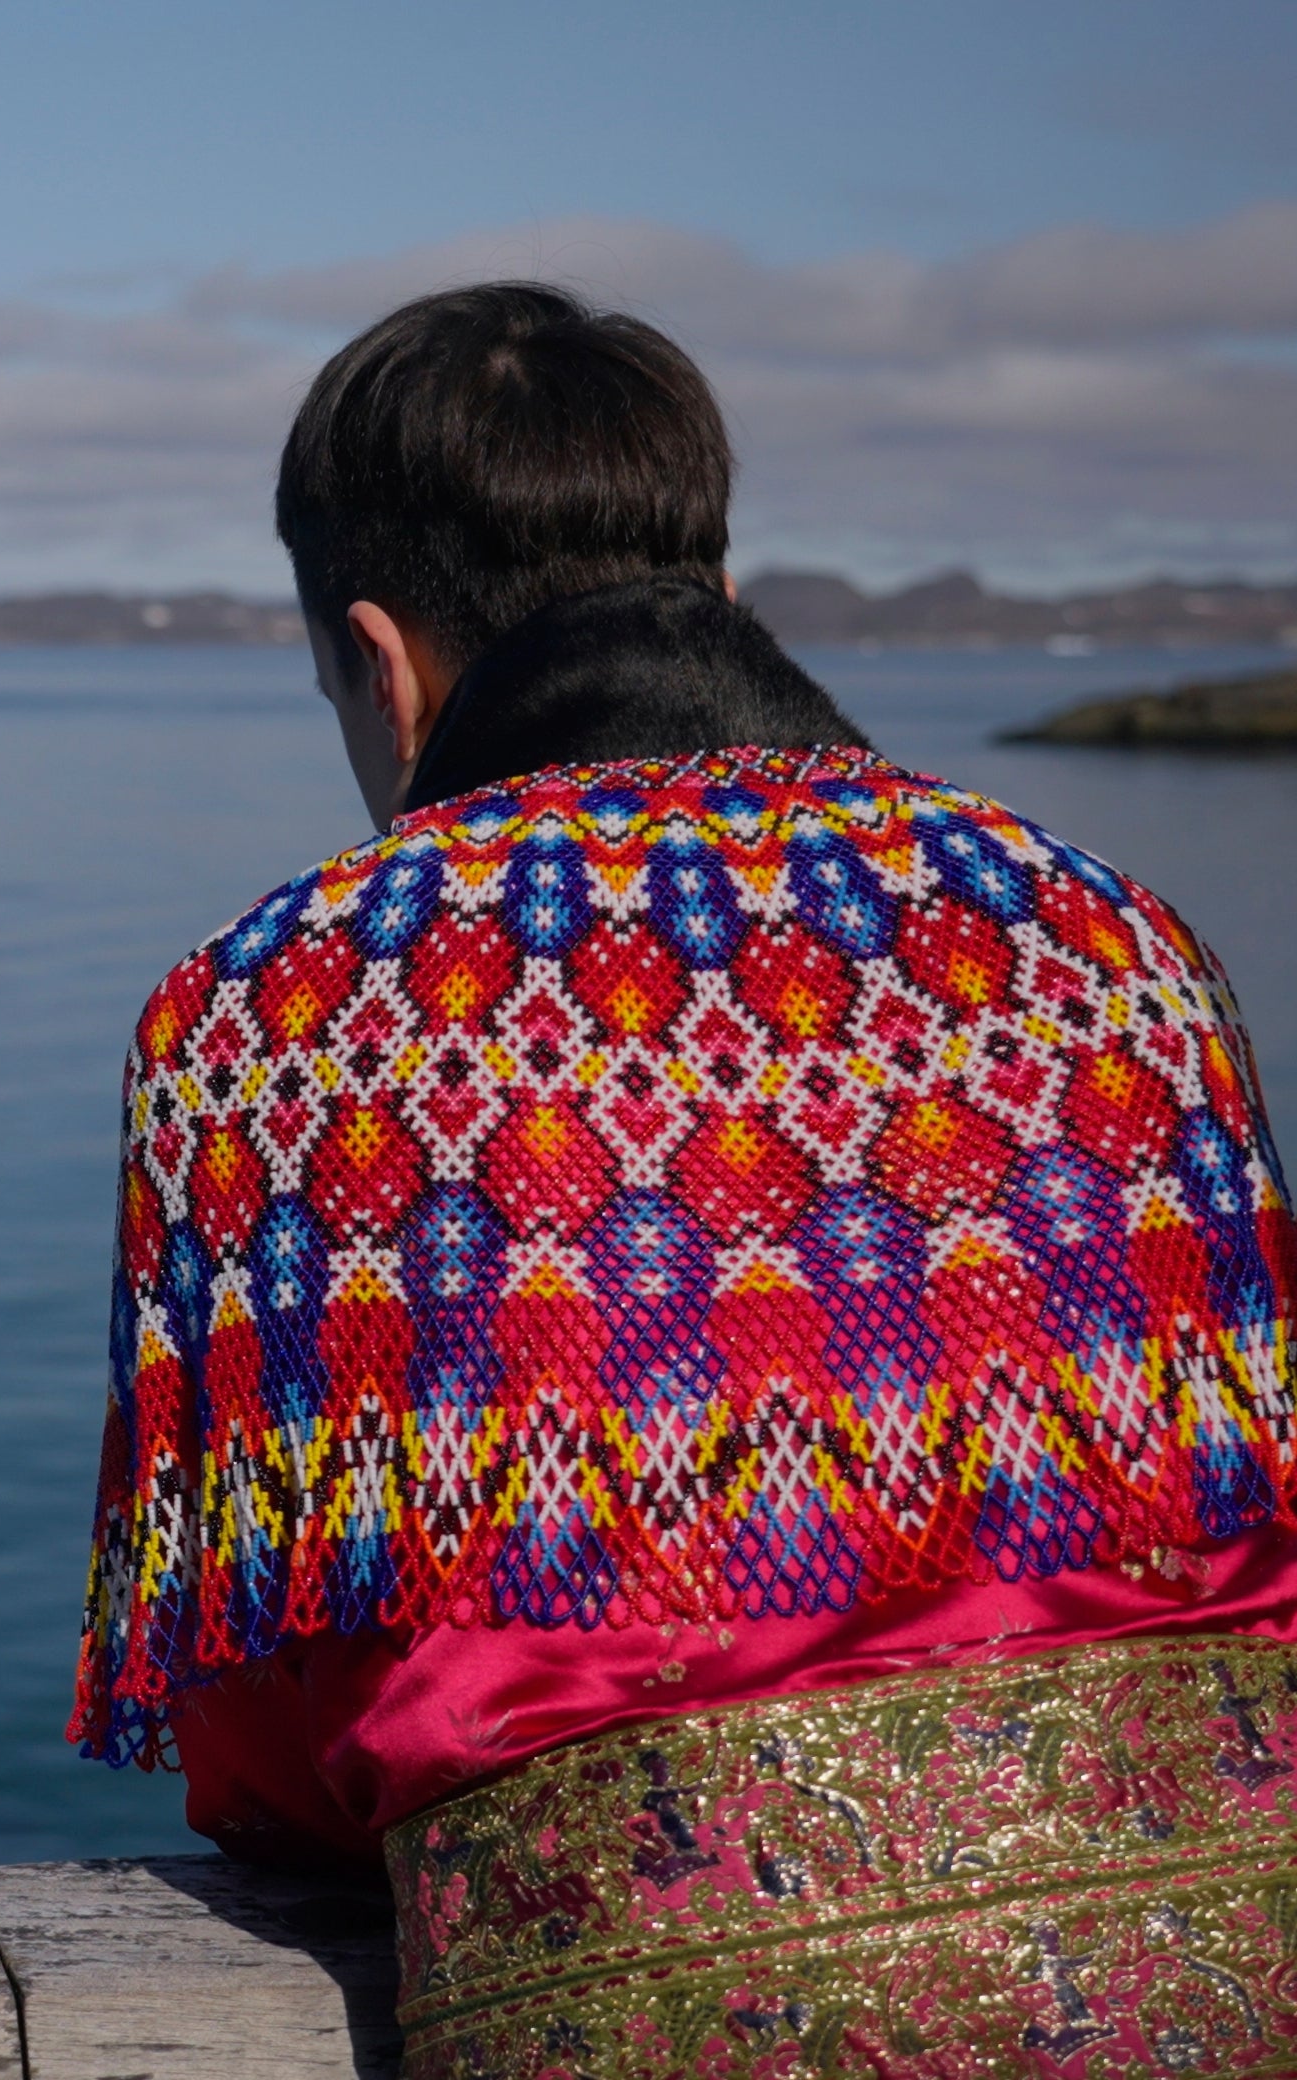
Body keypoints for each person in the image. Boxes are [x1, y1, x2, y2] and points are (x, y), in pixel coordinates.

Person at [70, 283, 1297, 2076]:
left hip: (632, 2011)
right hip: (1232, 1973)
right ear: (718, 589)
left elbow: (259, 1716)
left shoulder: (269, 1012)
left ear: (380, 666)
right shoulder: (1113, 937)